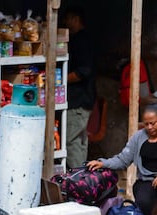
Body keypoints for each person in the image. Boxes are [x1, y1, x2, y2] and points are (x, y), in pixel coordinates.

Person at [87, 103, 157, 215]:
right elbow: (123, 160)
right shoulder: (138, 138)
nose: (149, 127)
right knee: (145, 201)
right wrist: (103, 163)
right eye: (146, 124)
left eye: (153, 123)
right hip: (147, 182)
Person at [63, 7, 95, 169]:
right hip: (84, 101)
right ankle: (83, 174)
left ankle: (77, 177)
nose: (65, 22)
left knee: (70, 141)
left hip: (78, 101)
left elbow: (84, 71)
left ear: (76, 19)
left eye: (68, 18)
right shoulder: (84, 39)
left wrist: (59, 81)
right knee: (80, 141)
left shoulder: (80, 41)